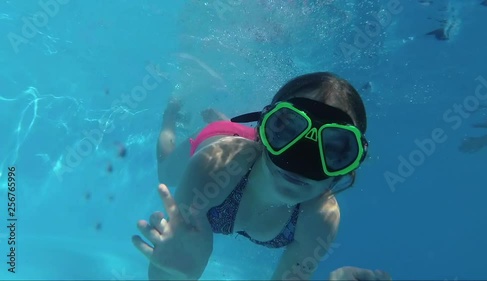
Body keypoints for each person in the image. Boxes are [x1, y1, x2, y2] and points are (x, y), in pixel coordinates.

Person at [133, 72, 391, 280]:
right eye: (286, 129)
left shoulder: (320, 219)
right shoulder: (212, 168)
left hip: (253, 151)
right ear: (263, 130)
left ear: (350, 165)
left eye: (334, 149)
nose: (301, 161)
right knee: (166, 171)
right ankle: (172, 116)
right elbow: (170, 262)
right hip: (221, 141)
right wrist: (175, 277)